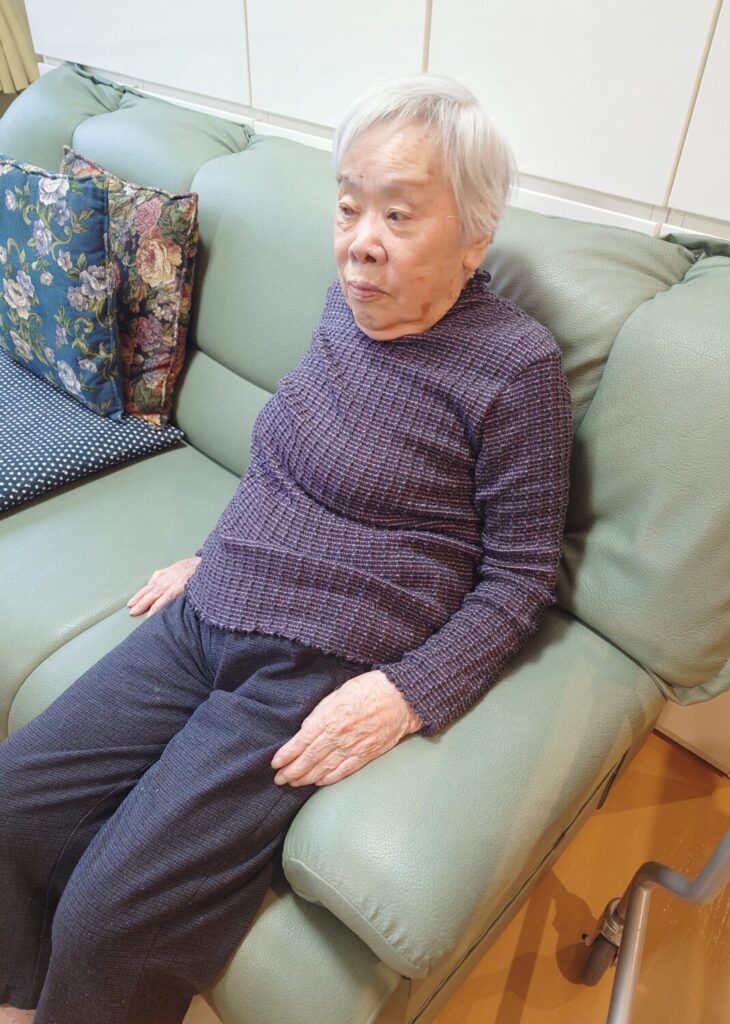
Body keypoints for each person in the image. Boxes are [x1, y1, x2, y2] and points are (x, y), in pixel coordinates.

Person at [0, 73, 573, 1024]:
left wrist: (408, 693)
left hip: (316, 664)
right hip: (213, 604)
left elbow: (522, 578)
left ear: (475, 237)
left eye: (399, 215)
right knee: (14, 802)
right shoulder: (346, 303)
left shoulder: (517, 370)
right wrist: (218, 552)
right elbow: (287, 457)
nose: (361, 243)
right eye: (348, 207)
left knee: (112, 914)